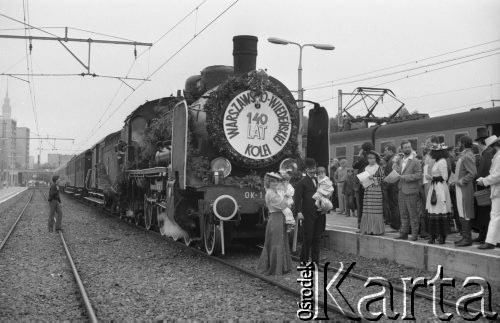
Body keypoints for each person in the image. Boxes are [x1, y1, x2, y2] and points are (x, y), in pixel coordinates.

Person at [258, 172, 293, 275]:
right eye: (273, 181)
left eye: (277, 181)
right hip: (276, 218)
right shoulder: (271, 193)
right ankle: (275, 267)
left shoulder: (274, 191)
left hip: (279, 218)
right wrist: (288, 197)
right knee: (276, 242)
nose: (275, 183)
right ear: (268, 182)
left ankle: (282, 266)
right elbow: (282, 205)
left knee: (281, 240)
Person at [295, 158, 325, 264]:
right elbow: (297, 198)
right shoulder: (302, 182)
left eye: (314, 168)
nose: (313, 170)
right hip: (307, 214)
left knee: (317, 238)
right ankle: (304, 261)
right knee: (308, 238)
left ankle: (315, 263)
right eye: (310, 168)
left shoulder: (320, 181)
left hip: (320, 212)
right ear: (306, 169)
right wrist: (298, 212)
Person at [393, 140, 422, 241]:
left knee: (413, 214)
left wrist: (404, 177)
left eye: (409, 147)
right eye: (405, 147)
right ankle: (404, 233)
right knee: (403, 213)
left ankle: (414, 235)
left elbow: (419, 175)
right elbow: (399, 174)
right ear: (402, 149)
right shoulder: (401, 160)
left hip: (411, 191)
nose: (408, 149)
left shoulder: (415, 161)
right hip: (401, 190)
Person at [476, 135, 500, 249]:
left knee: (494, 215)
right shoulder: (497, 156)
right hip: (497, 190)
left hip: (498, 191)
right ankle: (497, 240)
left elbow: (497, 175)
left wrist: (484, 181)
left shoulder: (499, 156)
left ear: (494, 146)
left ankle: (490, 242)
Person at [425, 144, 452, 244]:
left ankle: (441, 236)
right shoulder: (437, 161)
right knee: (433, 210)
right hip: (435, 187)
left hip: (440, 188)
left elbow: (444, 177)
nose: (431, 153)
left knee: (439, 209)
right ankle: (433, 235)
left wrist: (431, 178)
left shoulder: (442, 162)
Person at [453, 136, 477, 247]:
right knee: (462, 212)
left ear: (463, 143)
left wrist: (461, 181)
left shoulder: (467, 156)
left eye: (459, 143)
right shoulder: (465, 155)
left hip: (464, 188)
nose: (458, 145)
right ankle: (465, 237)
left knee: (465, 212)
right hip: (460, 188)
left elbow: (472, 173)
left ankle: (467, 239)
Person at [473, 127, 494, 244]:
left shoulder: (487, 153)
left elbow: (484, 171)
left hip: (484, 186)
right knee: (484, 212)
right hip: (485, 185)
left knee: (485, 213)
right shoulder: (487, 152)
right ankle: (483, 234)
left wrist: (478, 179)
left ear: (481, 143)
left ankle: (485, 236)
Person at [359, 151, 385, 235]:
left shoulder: (378, 167)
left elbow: (382, 178)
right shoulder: (365, 168)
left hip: (376, 190)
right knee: (367, 209)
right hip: (367, 190)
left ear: (376, 159)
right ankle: (367, 229)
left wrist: (373, 178)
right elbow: (363, 179)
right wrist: (362, 181)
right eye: (369, 158)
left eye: (373, 158)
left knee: (376, 210)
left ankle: (376, 229)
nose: (371, 160)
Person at [353, 142, 373, 226]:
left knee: (360, 203)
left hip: (362, 182)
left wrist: (358, 154)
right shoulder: (374, 157)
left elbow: (354, 165)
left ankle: (360, 222)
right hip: (371, 182)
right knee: (370, 203)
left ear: (363, 149)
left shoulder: (361, 158)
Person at [382, 144, 400, 230]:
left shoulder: (392, 160)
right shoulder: (393, 159)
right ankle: (395, 223)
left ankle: (396, 223)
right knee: (394, 205)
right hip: (394, 186)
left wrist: (386, 185)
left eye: (386, 150)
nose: (384, 152)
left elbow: (393, 174)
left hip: (393, 186)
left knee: (394, 205)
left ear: (391, 151)